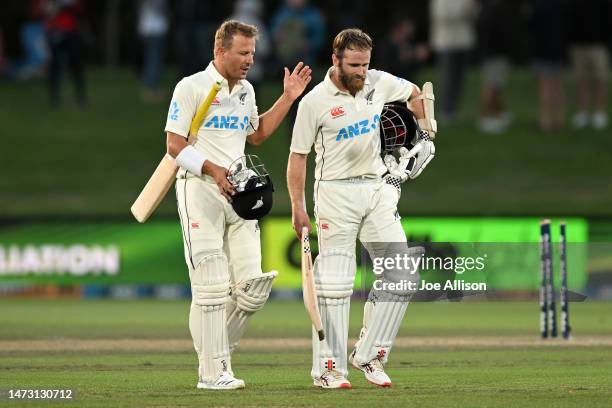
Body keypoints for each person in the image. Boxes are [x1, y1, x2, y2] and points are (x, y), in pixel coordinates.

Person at [164, 20, 311, 390]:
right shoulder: (191, 87)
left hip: (241, 194)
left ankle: (217, 357)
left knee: (252, 289)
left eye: (252, 53)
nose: (249, 60)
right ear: (220, 51)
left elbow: (256, 134)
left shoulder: (245, 90)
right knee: (212, 287)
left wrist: (288, 97)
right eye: (243, 53)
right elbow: (175, 146)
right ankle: (212, 374)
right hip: (199, 190)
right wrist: (212, 169)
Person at [287, 28, 435, 389]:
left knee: (402, 274)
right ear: (335, 60)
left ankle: (369, 355)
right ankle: (328, 368)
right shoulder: (315, 102)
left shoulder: (379, 82)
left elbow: (417, 93)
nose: (361, 72)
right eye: (353, 65)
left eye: (365, 64)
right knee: (335, 283)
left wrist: (427, 132)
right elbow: (297, 159)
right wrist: (297, 206)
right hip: (335, 194)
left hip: (377, 186)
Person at [568, 0, 611, 130]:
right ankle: (582, 113)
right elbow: (569, 22)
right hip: (578, 46)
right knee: (581, 80)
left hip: (598, 46)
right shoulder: (575, 3)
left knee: (601, 80)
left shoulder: (604, 3)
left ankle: (599, 113)